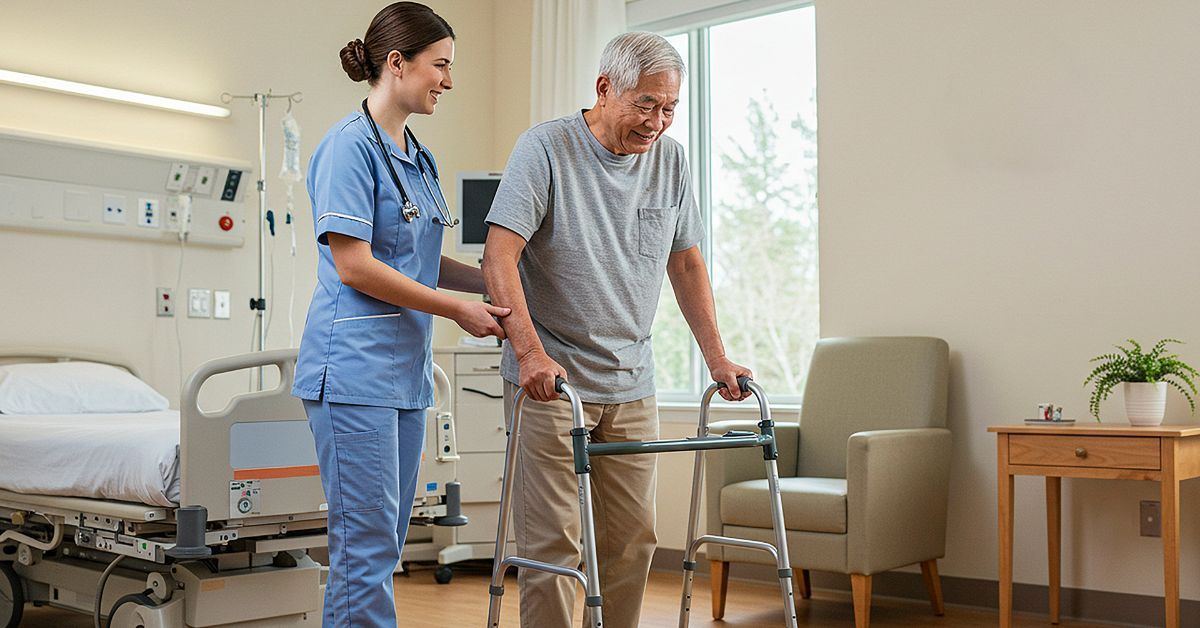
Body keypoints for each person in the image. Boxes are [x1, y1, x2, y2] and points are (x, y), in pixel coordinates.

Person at [482, 31, 752, 628]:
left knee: (634, 543)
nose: (658, 122)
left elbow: (685, 262)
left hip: (633, 380)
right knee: (554, 548)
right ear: (605, 89)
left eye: (670, 108)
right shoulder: (546, 149)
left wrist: (717, 359)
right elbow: (499, 256)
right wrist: (528, 354)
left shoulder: (671, 160)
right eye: (646, 104)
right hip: (550, 384)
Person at [291, 3, 509, 626]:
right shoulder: (347, 149)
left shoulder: (416, 154)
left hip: (403, 374)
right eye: (440, 65)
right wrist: (456, 310)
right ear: (397, 63)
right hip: (354, 372)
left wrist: (503, 287)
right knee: (366, 545)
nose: (448, 79)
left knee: (383, 541)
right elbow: (355, 265)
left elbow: (422, 259)